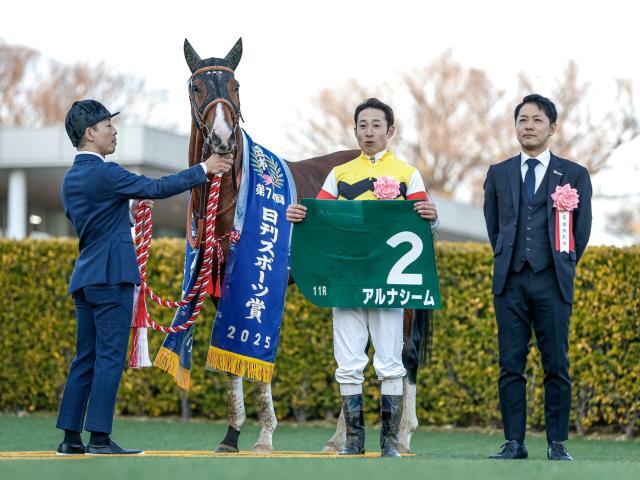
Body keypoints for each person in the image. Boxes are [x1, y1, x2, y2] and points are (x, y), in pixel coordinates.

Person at [56, 99, 234, 455]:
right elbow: (156, 187)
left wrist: (127, 211)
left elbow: (94, 221)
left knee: (85, 359)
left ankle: (71, 439)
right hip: (113, 278)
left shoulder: (70, 179)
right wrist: (205, 168)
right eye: (108, 126)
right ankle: (101, 439)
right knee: (109, 358)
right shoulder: (106, 172)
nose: (114, 131)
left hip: (86, 279)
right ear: (91, 134)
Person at [286, 98, 438, 457]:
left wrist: (431, 215)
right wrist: (299, 213)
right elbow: (318, 214)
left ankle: (390, 443)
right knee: (349, 361)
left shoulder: (407, 172)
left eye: (375, 125)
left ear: (390, 131)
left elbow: (423, 222)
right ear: (354, 130)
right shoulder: (339, 174)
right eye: (362, 125)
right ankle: (353, 442)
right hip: (346, 279)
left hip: (389, 283)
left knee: (390, 361)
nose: (369, 132)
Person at [483, 94, 592, 461]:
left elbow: (583, 229)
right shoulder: (498, 173)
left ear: (552, 127)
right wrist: (508, 257)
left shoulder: (574, 174)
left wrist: (561, 264)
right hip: (510, 281)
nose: (528, 126)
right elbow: (493, 224)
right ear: (515, 126)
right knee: (510, 365)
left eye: (537, 120)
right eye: (522, 120)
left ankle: (556, 442)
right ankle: (514, 442)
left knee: (556, 365)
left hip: (553, 281)